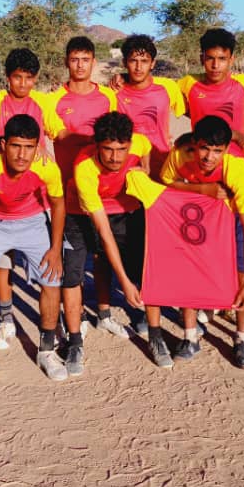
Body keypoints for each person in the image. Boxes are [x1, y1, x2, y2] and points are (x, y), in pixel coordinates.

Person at [0, 114, 66, 386]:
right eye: (16, 146)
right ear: (4, 144)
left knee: (51, 279)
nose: (21, 155)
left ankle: (47, 351)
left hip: (32, 221)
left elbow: (58, 203)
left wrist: (55, 248)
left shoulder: (46, 167)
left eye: (29, 147)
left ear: (37, 147)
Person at [158, 117, 244, 367]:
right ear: (194, 143)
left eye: (217, 151)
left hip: (233, 217)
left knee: (241, 276)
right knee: (189, 270)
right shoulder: (180, 155)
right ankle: (190, 337)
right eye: (204, 148)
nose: (209, 157)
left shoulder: (235, 166)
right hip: (200, 215)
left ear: (226, 149)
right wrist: (202, 190)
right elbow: (166, 180)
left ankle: (242, 340)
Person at [45, 36, 127, 338]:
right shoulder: (53, 99)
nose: (80, 65)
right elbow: (61, 135)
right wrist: (95, 138)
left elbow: (118, 135)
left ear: (94, 61)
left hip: (104, 194)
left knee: (102, 257)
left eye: (85, 60)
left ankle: (104, 313)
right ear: (66, 61)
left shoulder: (107, 97)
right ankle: (75, 314)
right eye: (74, 59)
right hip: (69, 196)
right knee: (74, 263)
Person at [0, 47, 61, 349]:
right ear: (7, 77)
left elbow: (57, 130)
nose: (23, 84)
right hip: (1, 191)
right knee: (4, 261)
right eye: (17, 77)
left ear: (36, 79)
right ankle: (7, 317)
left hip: (34, 195)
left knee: (46, 262)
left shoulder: (42, 102)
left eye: (29, 78)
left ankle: (51, 323)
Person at [70, 113, 160, 365]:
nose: (116, 157)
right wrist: (124, 282)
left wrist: (146, 166)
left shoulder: (137, 142)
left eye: (122, 150)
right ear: (97, 145)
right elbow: (105, 232)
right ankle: (102, 314)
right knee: (100, 257)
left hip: (127, 208)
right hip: (95, 210)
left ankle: (155, 335)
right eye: (108, 149)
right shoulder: (84, 168)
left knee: (144, 263)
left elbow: (146, 147)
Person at [177, 28, 244, 156]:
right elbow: (169, 102)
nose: (215, 65)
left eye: (222, 59)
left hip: (237, 158)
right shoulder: (188, 83)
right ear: (202, 59)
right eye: (210, 58)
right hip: (203, 159)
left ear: (231, 59)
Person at [112, 33, 186, 176]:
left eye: (144, 61)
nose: (138, 67)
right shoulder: (114, 92)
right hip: (129, 170)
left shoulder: (168, 87)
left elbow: (193, 113)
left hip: (163, 166)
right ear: (124, 62)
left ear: (153, 63)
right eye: (133, 61)